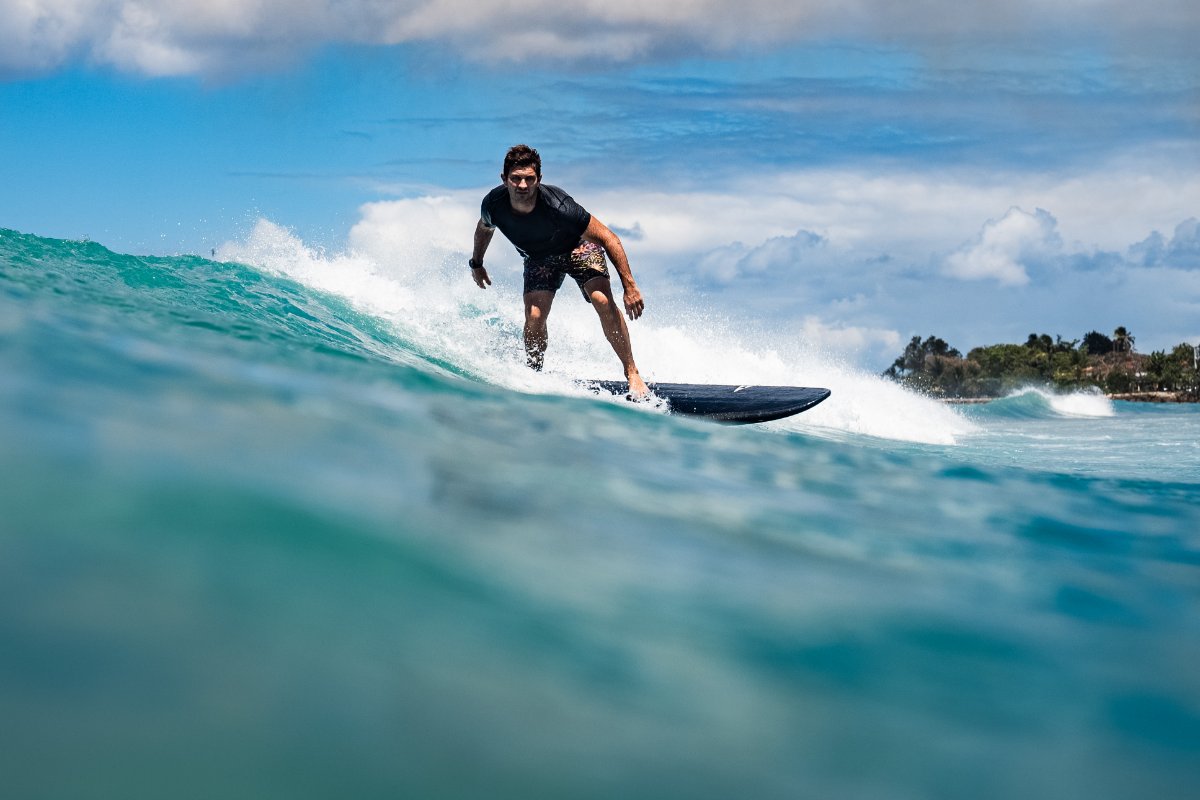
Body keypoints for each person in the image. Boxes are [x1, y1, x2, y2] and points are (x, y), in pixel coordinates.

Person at [469, 144, 649, 397]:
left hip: (578, 248)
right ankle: (533, 375)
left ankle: (632, 373)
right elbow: (484, 228)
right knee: (534, 315)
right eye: (516, 179)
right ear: (504, 179)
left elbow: (609, 238)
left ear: (539, 180)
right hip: (539, 258)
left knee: (601, 299)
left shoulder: (560, 207)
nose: (522, 186)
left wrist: (629, 286)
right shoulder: (493, 205)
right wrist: (476, 263)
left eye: (529, 179)